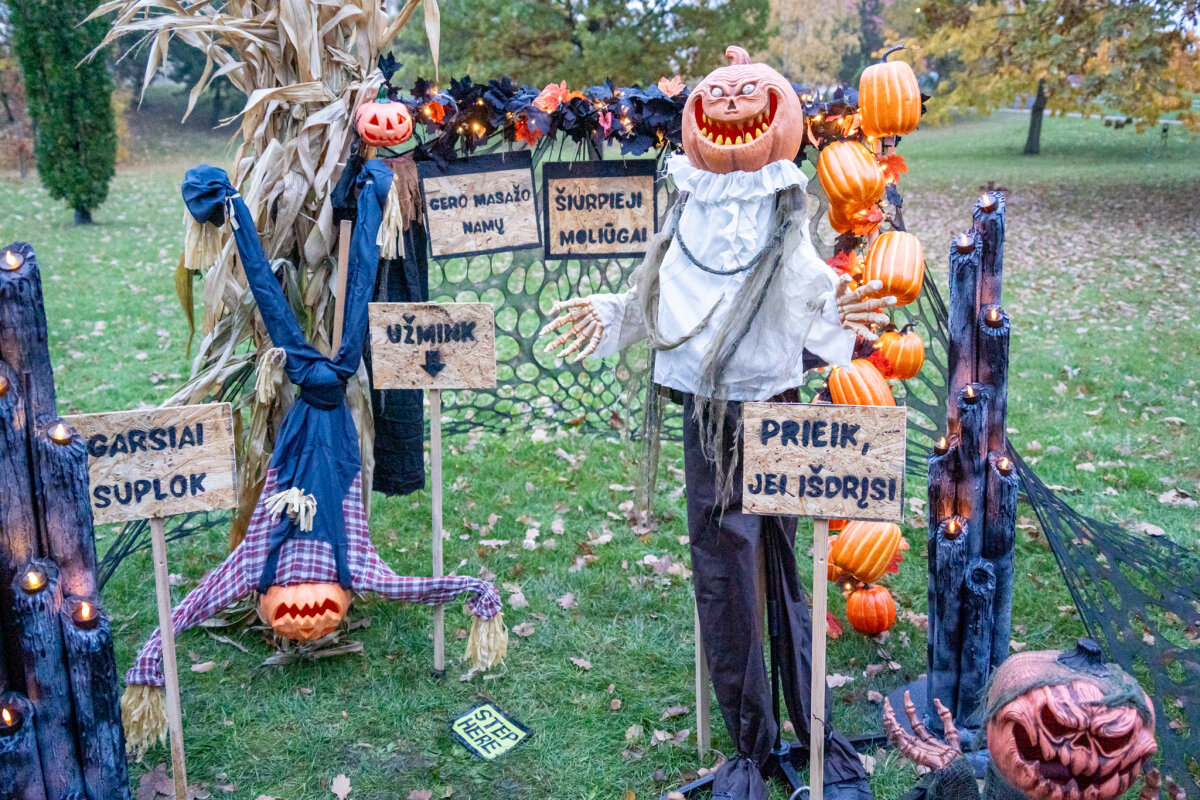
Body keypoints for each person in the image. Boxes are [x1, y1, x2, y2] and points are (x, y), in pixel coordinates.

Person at [541, 46, 894, 800]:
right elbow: (663, 290)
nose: (732, 105)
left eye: (748, 93)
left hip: (772, 401)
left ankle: (814, 731)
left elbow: (804, 288)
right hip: (704, 412)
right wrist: (615, 314)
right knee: (719, 565)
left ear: (776, 112)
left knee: (785, 564)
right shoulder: (688, 207)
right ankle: (747, 745)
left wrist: (839, 311)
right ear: (697, 114)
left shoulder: (781, 206)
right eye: (718, 94)